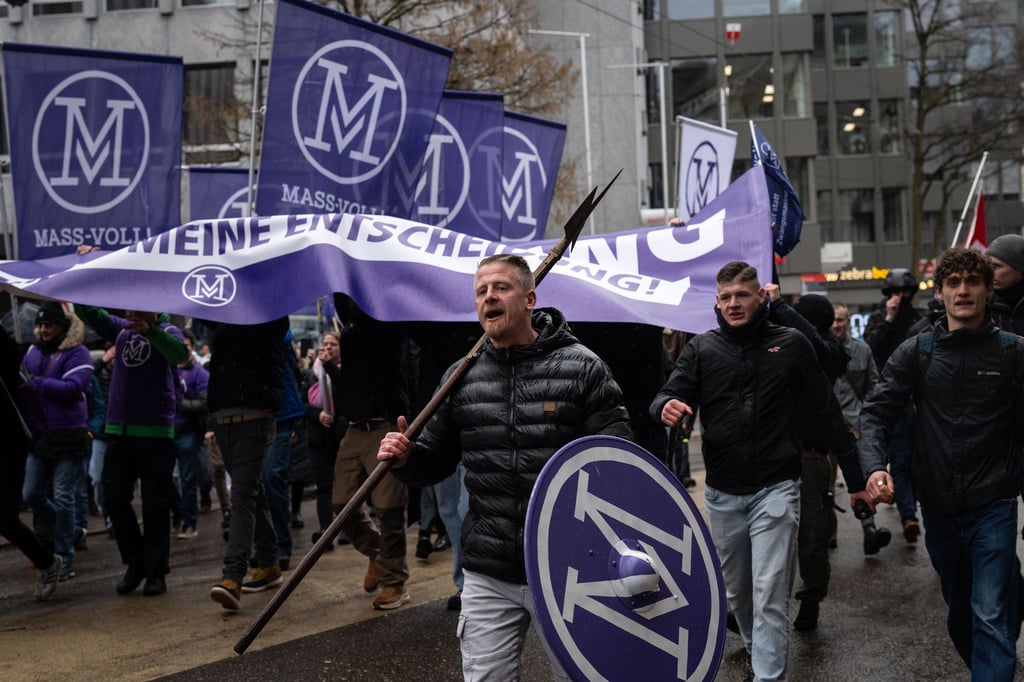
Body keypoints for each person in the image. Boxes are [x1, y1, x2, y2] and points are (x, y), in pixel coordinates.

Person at [378, 254, 632, 678]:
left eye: (501, 288)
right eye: (481, 291)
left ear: (531, 298)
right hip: (488, 571)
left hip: (568, 568)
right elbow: (434, 461)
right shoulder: (460, 378)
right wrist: (407, 459)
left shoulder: (583, 368)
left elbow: (617, 466)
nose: (489, 298)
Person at [650, 262, 873, 682]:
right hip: (722, 495)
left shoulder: (790, 344)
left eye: (743, 295)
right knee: (739, 594)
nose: (734, 303)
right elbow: (668, 392)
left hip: (776, 488)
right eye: (726, 296)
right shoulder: (702, 348)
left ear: (760, 298)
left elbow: (828, 414)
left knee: (770, 591)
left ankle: (769, 676)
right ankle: (761, 657)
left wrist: (858, 482)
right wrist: (664, 405)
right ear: (717, 302)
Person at [859, 247, 1024, 680]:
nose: (963, 290)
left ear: (989, 290)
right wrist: (876, 467)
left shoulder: (1013, 353)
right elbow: (875, 412)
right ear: (942, 291)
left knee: (989, 614)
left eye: (973, 282)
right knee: (961, 616)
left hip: (995, 502)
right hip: (939, 506)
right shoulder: (918, 352)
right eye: (954, 283)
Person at [78, 306, 188, 597]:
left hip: (154, 433)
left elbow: (180, 355)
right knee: (113, 499)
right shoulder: (122, 329)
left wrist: (150, 331)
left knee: (155, 505)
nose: (130, 310)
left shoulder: (168, 330)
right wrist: (87, 268)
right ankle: (135, 562)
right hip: (119, 431)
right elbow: (90, 314)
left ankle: (156, 571)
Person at [322, 294, 412, 611]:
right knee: (341, 504)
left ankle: (394, 583)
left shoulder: (387, 322)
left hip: (384, 424)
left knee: (388, 508)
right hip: (354, 428)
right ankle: (377, 554)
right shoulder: (351, 326)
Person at [206, 317, 289, 610]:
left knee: (241, 495)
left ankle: (232, 576)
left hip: (255, 420)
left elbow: (275, 327)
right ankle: (269, 564)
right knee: (251, 493)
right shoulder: (222, 314)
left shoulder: (268, 314)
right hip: (224, 419)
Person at [21, 302, 93, 583]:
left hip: (68, 434)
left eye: (48, 325)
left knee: (64, 496)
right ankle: (72, 529)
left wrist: (36, 383)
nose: (43, 329)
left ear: (61, 326)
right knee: (32, 494)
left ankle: (65, 556)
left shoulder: (78, 352)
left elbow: (74, 388)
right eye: (40, 325)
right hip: (40, 435)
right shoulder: (32, 352)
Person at [1, 325, 65, 600]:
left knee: (4, 518)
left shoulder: (3, 346)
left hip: (7, 443)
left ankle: (47, 562)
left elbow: (8, 359)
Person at [863, 268, 922, 544]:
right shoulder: (877, 317)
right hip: (884, 398)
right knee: (888, 459)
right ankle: (901, 512)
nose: (901, 297)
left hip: (911, 402)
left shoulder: (918, 319)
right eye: (896, 292)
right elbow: (870, 349)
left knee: (906, 460)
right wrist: (887, 318)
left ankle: (910, 511)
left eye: (905, 292)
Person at [830, 302, 892, 556]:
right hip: (827, 429)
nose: (836, 325)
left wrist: (867, 415)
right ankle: (828, 533)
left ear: (848, 322)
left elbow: (874, 386)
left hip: (855, 427)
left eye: (841, 320)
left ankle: (870, 530)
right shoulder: (816, 350)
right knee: (826, 483)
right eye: (833, 320)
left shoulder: (862, 350)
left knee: (861, 480)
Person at [172, 329, 209, 539]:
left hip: (188, 433)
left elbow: (204, 403)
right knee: (167, 480)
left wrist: (180, 404)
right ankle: (177, 514)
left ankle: (189, 521)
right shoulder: (167, 370)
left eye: (185, 346)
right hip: (167, 432)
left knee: (187, 479)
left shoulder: (199, 373)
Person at [985, 233, 1024, 335]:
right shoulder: (980, 305)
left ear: (1020, 269)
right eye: (987, 266)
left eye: (996, 266)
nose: (989, 272)